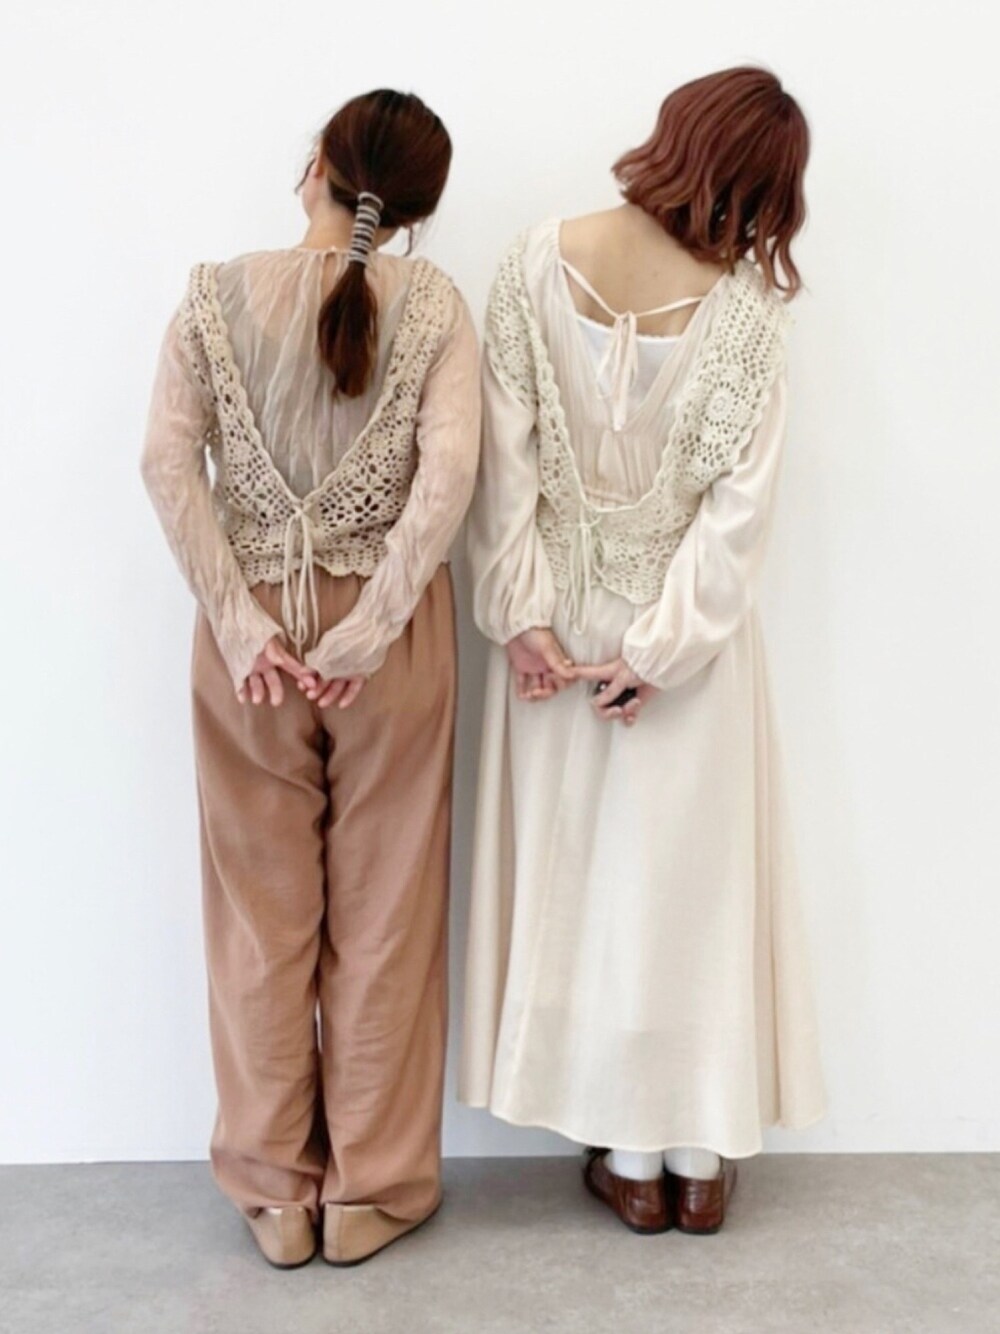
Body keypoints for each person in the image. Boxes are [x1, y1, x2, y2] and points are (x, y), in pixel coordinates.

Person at [460, 66, 826, 1236]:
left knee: (579, 888)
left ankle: (623, 1158)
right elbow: (737, 521)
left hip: (556, 638)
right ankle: (695, 1164)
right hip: (688, 651)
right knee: (685, 896)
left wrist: (521, 612)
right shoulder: (750, 320)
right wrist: (664, 650)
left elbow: (502, 466)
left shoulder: (533, 262)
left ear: (673, 135)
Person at [142, 89, 480, 1267]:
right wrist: (374, 622)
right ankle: (370, 1191)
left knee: (260, 916)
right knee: (386, 913)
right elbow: (448, 477)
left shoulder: (214, 295)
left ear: (318, 169)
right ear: (418, 207)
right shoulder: (435, 306)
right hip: (387, 648)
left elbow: (166, 462)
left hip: (254, 651)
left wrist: (242, 625)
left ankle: (275, 1191)